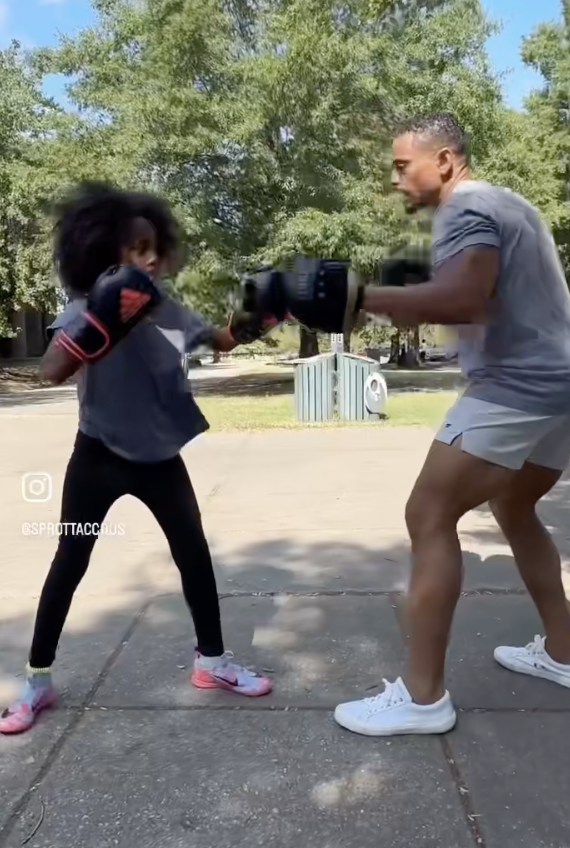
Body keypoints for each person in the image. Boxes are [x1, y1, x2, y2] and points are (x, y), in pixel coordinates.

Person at [0, 182, 271, 735]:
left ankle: (211, 663)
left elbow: (218, 341)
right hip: (96, 455)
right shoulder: (85, 304)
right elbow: (52, 368)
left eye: (153, 247)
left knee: (193, 554)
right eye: (134, 248)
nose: (148, 258)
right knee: (70, 562)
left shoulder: (168, 309)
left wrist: (260, 316)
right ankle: (37, 683)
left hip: (159, 458)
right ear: (105, 251)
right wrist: (104, 321)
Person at [333, 111, 570, 736]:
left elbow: (464, 297)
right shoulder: (508, 203)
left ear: (443, 161)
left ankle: (422, 698)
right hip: (560, 385)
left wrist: (361, 299)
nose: (394, 180)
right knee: (516, 510)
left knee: (428, 516)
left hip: (518, 386)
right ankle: (564, 653)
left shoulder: (464, 208)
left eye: (401, 165)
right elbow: (480, 300)